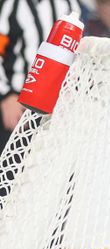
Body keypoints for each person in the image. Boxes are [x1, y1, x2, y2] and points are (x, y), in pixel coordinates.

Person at [0, 0, 81, 153]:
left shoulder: (70, 4)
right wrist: (5, 96)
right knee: (11, 170)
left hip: (58, 104)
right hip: (17, 103)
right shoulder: (11, 4)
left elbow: (76, 52)